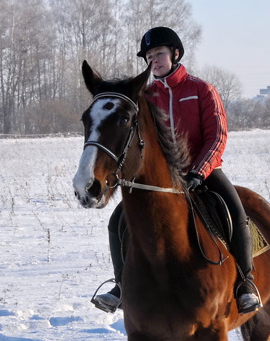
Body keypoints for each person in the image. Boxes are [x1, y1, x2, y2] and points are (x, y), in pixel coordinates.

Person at [92, 26, 261, 315]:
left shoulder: (201, 90)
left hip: (201, 174)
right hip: (160, 180)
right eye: (148, 56)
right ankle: (121, 286)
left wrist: (199, 171)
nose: (153, 60)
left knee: (236, 212)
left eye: (158, 53)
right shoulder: (145, 98)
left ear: (175, 54)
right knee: (117, 222)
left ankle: (246, 283)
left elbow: (217, 136)